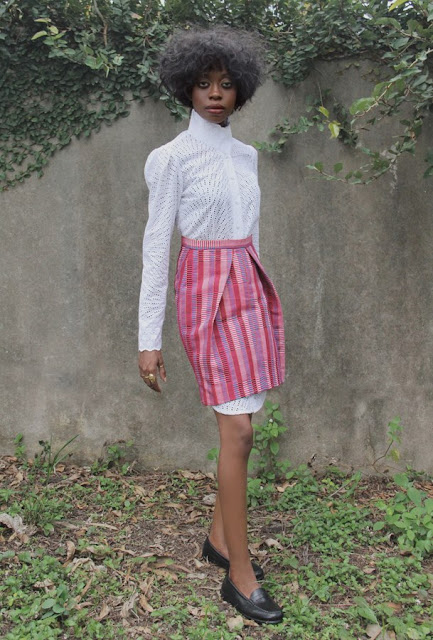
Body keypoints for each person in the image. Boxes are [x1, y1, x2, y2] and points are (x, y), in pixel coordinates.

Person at [138, 26, 285, 625]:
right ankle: (238, 576)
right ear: (187, 88)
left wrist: (260, 295)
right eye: (204, 83)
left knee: (245, 425)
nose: (216, 93)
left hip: (247, 285)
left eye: (226, 84)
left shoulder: (248, 157)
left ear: (240, 89)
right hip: (204, 291)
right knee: (239, 432)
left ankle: (219, 540)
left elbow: (252, 233)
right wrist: (148, 339)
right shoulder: (170, 158)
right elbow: (156, 247)